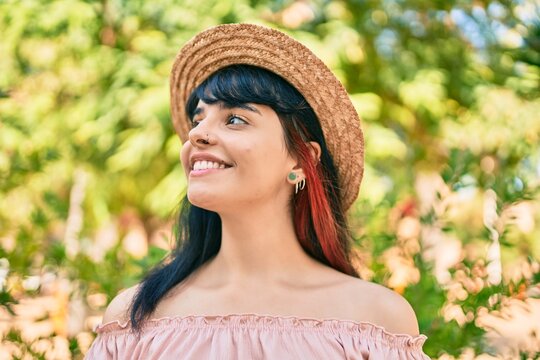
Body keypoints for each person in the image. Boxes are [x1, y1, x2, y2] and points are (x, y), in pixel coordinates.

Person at [86, 23, 429, 359]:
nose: (197, 135)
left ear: (301, 158)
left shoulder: (376, 323)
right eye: (197, 119)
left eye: (235, 119)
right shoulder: (133, 320)